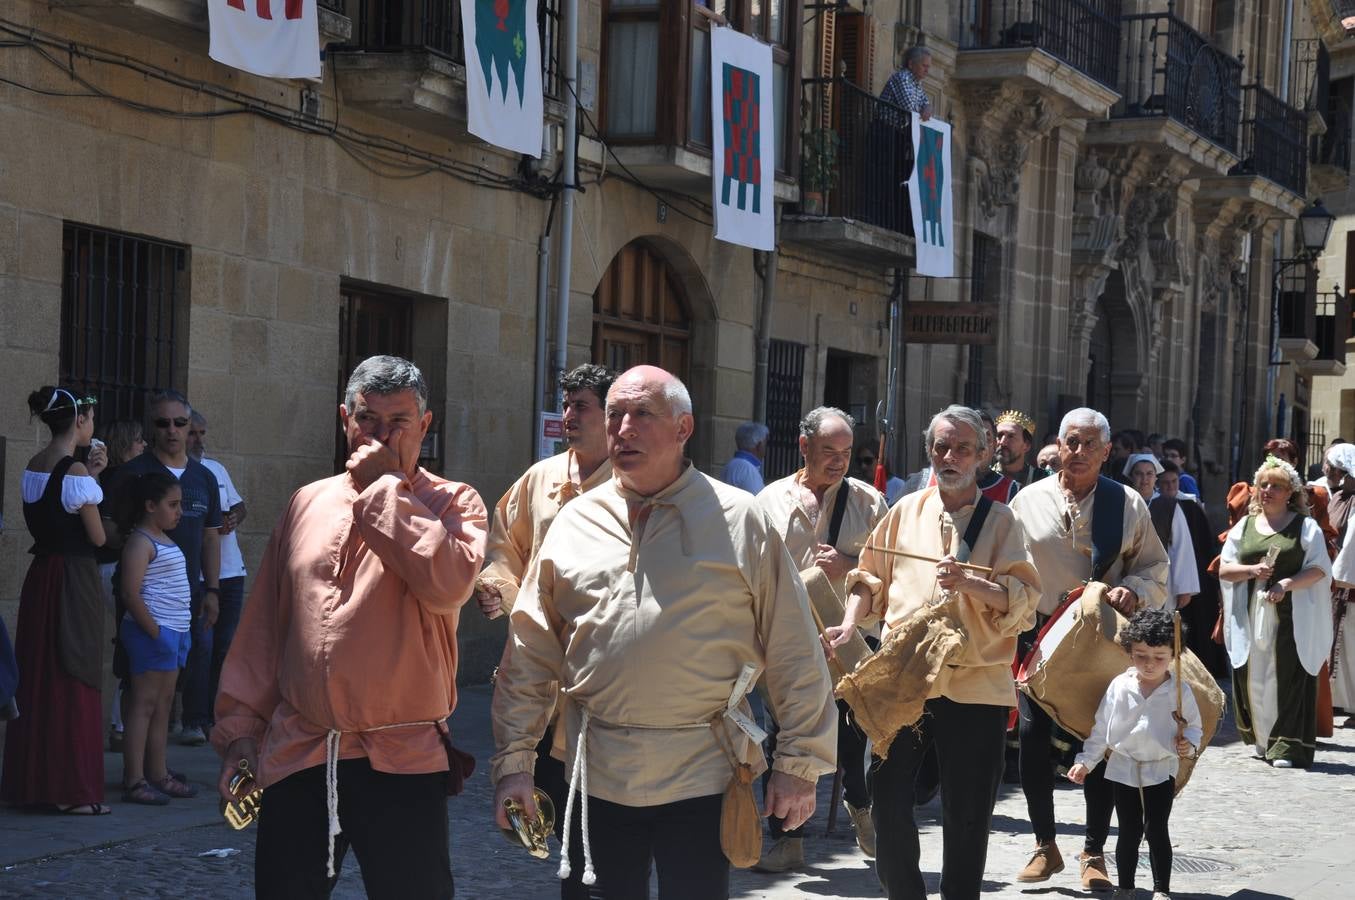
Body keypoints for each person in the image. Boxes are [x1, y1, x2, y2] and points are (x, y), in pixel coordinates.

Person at [492, 366, 836, 900]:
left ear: (683, 428)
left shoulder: (740, 520)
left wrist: (799, 764)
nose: (622, 429)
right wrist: (514, 765)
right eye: (614, 415)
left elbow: (794, 646)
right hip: (595, 772)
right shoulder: (574, 521)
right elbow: (530, 649)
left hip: (703, 773)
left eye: (642, 415)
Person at [212, 355, 488, 896]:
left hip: (403, 759)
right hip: (301, 748)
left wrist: (385, 487)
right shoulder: (307, 501)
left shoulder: (454, 502)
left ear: (425, 426)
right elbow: (267, 627)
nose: (381, 437)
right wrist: (243, 730)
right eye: (368, 421)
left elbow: (448, 583)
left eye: (399, 423)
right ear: (345, 419)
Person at [827, 405, 1040, 900]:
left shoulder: (1003, 520)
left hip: (976, 683)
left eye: (962, 447)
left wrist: (972, 582)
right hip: (905, 676)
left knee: (967, 813)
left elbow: (1024, 604)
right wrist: (847, 622)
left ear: (984, 455)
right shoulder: (906, 509)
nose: (949, 456)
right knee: (885, 797)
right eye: (941, 446)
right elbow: (869, 577)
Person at [1008, 407, 1169, 891]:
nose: (1077, 453)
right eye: (1070, 443)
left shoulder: (1127, 505)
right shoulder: (1028, 500)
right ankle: (1044, 844)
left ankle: (1093, 851)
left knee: (1098, 745)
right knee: (1033, 744)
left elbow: (1156, 569)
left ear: (1105, 450)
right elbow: (1006, 564)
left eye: (1087, 445)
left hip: (1102, 643)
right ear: (1059, 445)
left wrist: (1134, 590)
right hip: (1040, 639)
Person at [475, 363, 615, 839]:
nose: (569, 415)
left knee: (597, 827)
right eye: (566, 405)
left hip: (599, 670)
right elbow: (504, 549)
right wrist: (499, 589)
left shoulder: (632, 482)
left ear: (610, 415)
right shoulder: (540, 478)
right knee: (552, 813)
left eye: (581, 406)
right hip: (537, 662)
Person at [757, 407, 888, 868]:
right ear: (804, 447)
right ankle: (787, 837)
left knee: (851, 733)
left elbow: (887, 574)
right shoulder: (770, 499)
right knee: (783, 734)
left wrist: (847, 565)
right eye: (828, 451)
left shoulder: (869, 501)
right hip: (786, 637)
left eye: (846, 453)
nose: (838, 462)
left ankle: (861, 805)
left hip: (849, 631)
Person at [3, 385, 111, 816]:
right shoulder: (77, 475)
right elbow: (97, 536)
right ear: (80, 421)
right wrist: (92, 478)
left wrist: (91, 475)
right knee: (74, 672)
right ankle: (72, 790)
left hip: (41, 577)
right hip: (73, 579)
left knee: (39, 675)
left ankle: (34, 784)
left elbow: (58, 511)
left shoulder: (33, 465)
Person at [104, 390, 222, 746]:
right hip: (141, 596)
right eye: (163, 423)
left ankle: (156, 769)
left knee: (173, 687)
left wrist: (213, 590)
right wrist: (139, 546)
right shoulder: (132, 474)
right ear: (151, 427)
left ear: (190, 427)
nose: (172, 430)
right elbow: (108, 532)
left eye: (179, 423)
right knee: (137, 683)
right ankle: (134, 768)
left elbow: (210, 538)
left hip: (187, 597)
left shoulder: (204, 478)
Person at [1068, 608, 1203, 900]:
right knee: (1128, 829)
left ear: (1173, 656)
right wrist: (1085, 762)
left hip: (1160, 767)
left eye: (1159, 657)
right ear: (1129, 652)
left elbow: (1194, 728)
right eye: (1141, 655)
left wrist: (1187, 745)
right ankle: (1126, 887)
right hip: (1124, 766)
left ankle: (1161, 889)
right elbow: (1102, 729)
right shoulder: (1120, 686)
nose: (1150, 664)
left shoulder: (1180, 691)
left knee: (1156, 828)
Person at [1218, 456, 1333, 768]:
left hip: (1292, 616)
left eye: (1276, 486)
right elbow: (1225, 569)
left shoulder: (1306, 528)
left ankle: (1287, 746)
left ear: (1290, 493)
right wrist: (1252, 570)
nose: (1267, 490)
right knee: (1254, 676)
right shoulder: (1245, 526)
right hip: (1252, 612)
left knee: (1287, 677)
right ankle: (1263, 739)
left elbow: (1321, 569)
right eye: (1263, 485)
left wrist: (1286, 583)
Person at [118, 472, 198, 805]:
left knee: (164, 706)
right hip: (154, 632)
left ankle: (158, 771)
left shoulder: (164, 538)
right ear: (150, 506)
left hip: (174, 632)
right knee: (144, 705)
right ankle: (135, 778)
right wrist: (155, 632)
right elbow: (129, 593)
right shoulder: (140, 541)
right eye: (173, 505)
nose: (179, 512)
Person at [184, 410, 248, 747]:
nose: (198, 440)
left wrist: (234, 517)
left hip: (231, 572)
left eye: (201, 433)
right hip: (198, 575)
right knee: (201, 648)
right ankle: (193, 719)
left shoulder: (217, 468)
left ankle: (215, 717)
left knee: (224, 648)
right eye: (192, 433)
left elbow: (240, 506)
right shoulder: (182, 473)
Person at [94, 418, 146, 753]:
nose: (144, 446)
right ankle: (120, 725)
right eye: (139, 440)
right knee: (130, 648)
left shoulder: (109, 479)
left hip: (104, 567)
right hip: (116, 566)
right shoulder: (123, 480)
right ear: (128, 443)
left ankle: (121, 724)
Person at [1158, 462, 1228, 676]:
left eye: (1174, 482)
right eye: (1165, 483)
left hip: (1193, 576)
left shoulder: (1190, 506)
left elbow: (1203, 545)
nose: (1170, 487)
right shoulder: (1156, 506)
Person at [1125, 453, 1199, 611]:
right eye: (1139, 473)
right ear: (1131, 476)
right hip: (1126, 575)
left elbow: (1181, 546)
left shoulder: (1169, 505)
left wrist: (1184, 588)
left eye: (1149, 474)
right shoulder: (1122, 502)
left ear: (1155, 478)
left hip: (1160, 579)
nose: (1144, 479)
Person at [994, 409, 1046, 486]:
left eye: (1011, 436)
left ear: (1027, 445)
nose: (1002, 442)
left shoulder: (1042, 480)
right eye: (999, 436)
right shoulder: (983, 477)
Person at [881, 45, 932, 121]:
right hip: (885, 128)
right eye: (924, 66)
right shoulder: (902, 77)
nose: (927, 71)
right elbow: (909, 109)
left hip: (898, 130)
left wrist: (928, 108)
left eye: (928, 67)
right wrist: (923, 111)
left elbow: (926, 103)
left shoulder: (917, 84)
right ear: (911, 64)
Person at [722, 421, 768, 494]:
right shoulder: (747, 469)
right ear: (759, 445)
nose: (765, 448)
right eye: (765, 444)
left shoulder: (731, 464)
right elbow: (758, 502)